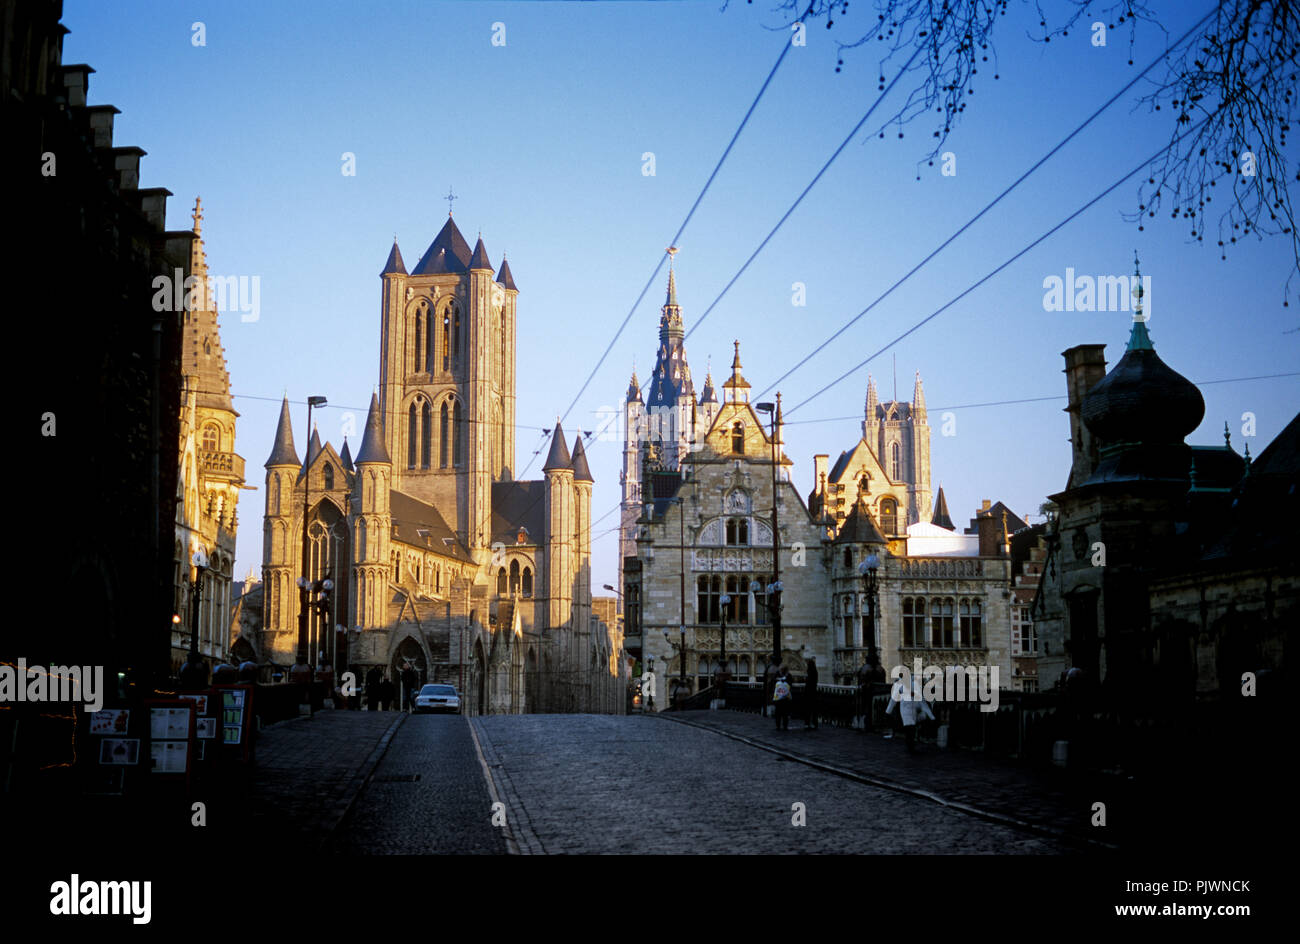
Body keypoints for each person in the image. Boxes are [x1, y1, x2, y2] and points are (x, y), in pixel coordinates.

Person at [885, 672, 935, 753]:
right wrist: (888, 711)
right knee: (910, 729)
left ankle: (911, 745)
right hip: (906, 710)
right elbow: (893, 700)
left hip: (913, 710)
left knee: (911, 728)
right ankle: (910, 746)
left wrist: (931, 716)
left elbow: (923, 704)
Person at [772, 665, 792, 730]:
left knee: (778, 713)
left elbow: (773, 682)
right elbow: (790, 684)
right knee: (785, 713)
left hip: (778, 697)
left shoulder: (777, 675)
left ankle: (778, 726)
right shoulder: (788, 676)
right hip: (785, 697)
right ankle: (784, 726)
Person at [804, 656, 820, 729]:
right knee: (814, 710)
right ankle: (814, 723)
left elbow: (808, 683)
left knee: (808, 709)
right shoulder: (815, 672)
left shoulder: (810, 672)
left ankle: (807, 723)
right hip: (814, 693)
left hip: (809, 693)